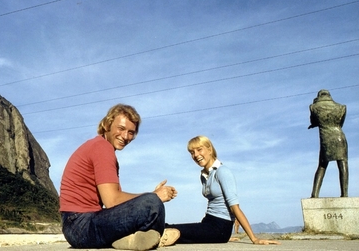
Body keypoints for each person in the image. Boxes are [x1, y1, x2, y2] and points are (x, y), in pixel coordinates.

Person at [60, 104, 179, 250]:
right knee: (152, 203)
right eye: (121, 129)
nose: (125, 136)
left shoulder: (101, 147)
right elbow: (112, 200)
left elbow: (117, 203)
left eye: (131, 132)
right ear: (107, 125)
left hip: (80, 224)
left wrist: (149, 197)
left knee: (151, 201)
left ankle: (128, 239)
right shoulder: (102, 148)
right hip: (79, 226)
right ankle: (156, 236)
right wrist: (154, 195)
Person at [166, 136, 280, 245]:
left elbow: (234, 207)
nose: (195, 155)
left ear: (210, 149)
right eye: (192, 152)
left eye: (199, 150)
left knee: (173, 232)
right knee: (171, 228)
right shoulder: (204, 175)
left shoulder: (222, 171)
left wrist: (254, 239)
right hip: (208, 222)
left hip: (220, 227)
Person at [308, 89, 348, 198]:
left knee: (322, 166)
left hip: (326, 138)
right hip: (340, 137)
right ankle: (344, 194)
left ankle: (315, 194)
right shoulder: (341, 107)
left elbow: (313, 121)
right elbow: (340, 123)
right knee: (343, 164)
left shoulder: (313, 107)